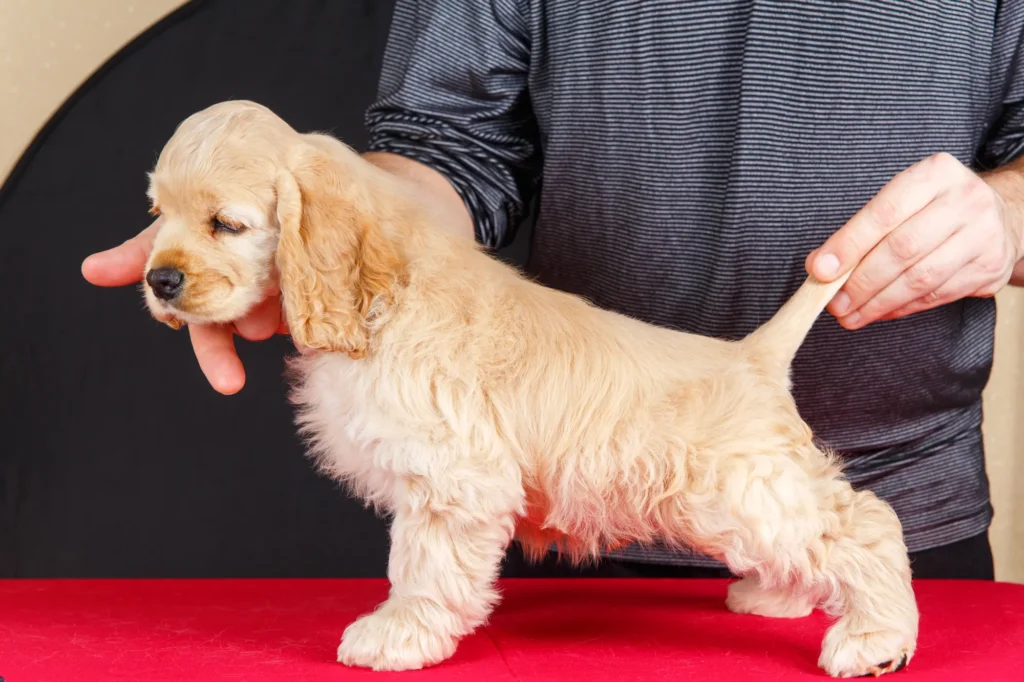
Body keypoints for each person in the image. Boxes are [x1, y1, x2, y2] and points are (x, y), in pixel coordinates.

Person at [83, 1, 1024, 581]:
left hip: (898, 488)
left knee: (840, 555)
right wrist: (346, 238)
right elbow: (448, 143)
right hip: (559, 503)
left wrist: (1010, 213)